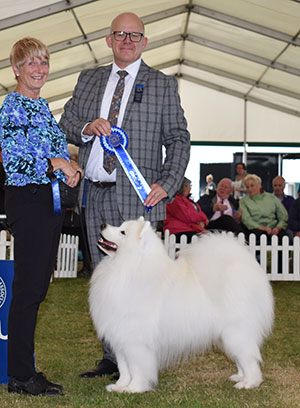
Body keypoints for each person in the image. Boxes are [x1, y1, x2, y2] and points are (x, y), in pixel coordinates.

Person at [59, 12, 190, 378]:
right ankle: (112, 357)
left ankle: (142, 356)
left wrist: (167, 181)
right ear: (109, 40)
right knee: (104, 280)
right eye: (120, 34)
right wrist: (86, 127)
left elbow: (179, 139)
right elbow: (65, 123)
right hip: (94, 196)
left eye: (134, 35)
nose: (127, 40)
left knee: (141, 281)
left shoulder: (163, 84)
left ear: (145, 42)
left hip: (139, 200)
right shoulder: (89, 80)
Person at [0, 37, 83, 396]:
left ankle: (23, 367)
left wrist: (71, 165)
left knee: (36, 289)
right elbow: (11, 162)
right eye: (31, 63)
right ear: (16, 69)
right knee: (28, 290)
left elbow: (55, 151)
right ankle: (20, 375)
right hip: (27, 200)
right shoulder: (12, 106)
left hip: (48, 202)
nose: (39, 70)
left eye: (44, 63)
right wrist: (55, 163)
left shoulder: (42, 106)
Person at [239, 174, 288, 241]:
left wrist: (278, 227)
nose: (250, 189)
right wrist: (262, 228)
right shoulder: (243, 201)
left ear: (259, 185)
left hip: (273, 228)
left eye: (252, 186)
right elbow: (246, 220)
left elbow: (283, 215)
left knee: (283, 237)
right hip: (256, 229)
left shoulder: (271, 197)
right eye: (247, 187)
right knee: (258, 236)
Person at [163, 177, 208, 242]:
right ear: (184, 187)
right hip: (178, 231)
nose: (190, 188)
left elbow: (194, 215)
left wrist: (202, 221)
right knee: (205, 241)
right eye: (190, 186)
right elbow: (188, 217)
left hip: (190, 229)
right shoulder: (174, 200)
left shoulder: (188, 200)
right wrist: (202, 218)